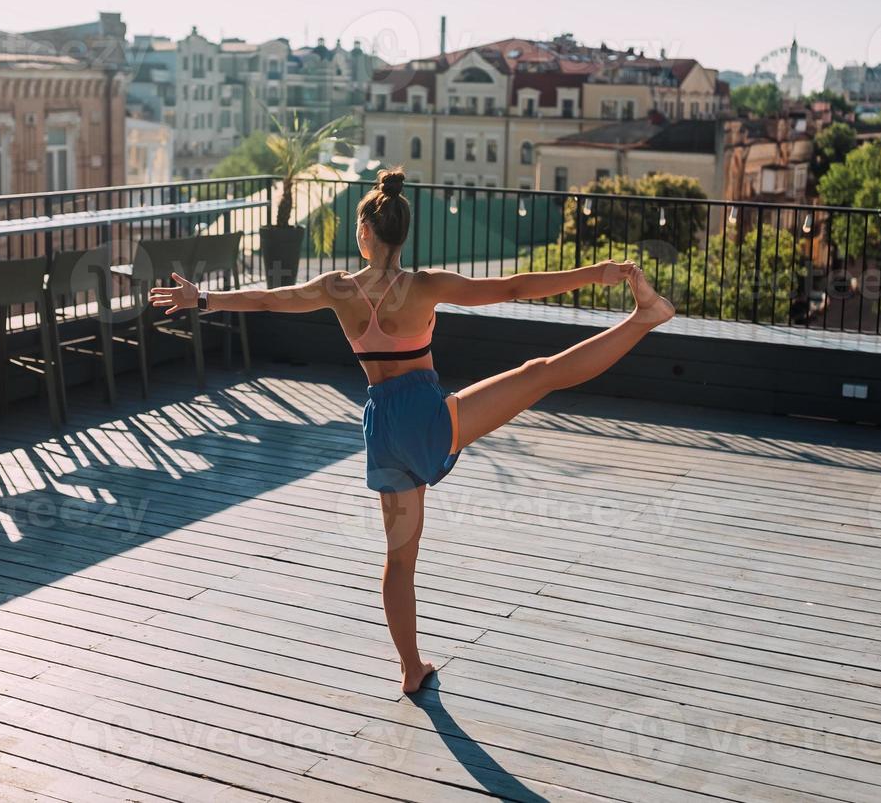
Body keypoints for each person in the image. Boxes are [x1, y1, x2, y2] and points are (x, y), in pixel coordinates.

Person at [150, 168, 673, 693]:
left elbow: (267, 298)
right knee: (541, 373)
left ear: (364, 234)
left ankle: (410, 668)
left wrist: (204, 300)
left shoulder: (337, 289)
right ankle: (643, 319)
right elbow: (515, 286)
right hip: (427, 418)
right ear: (402, 235)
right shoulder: (426, 286)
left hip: (382, 428)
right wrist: (597, 272)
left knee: (399, 558)